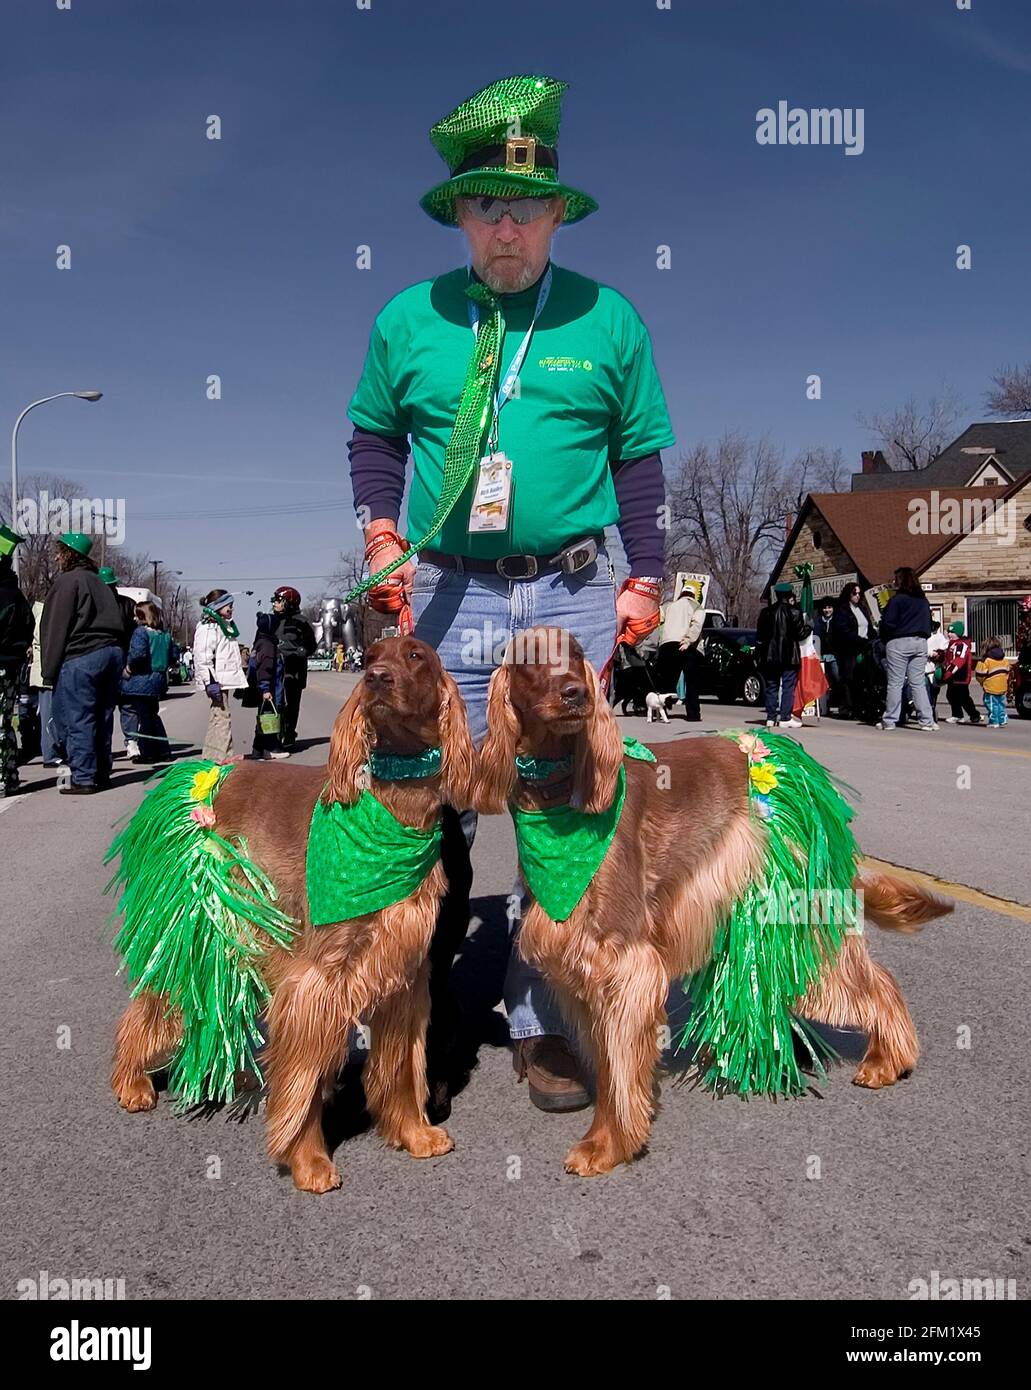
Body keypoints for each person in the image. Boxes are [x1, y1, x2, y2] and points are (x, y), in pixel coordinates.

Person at [347, 75, 674, 1111]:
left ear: (553, 214)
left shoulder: (606, 317)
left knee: (559, 814)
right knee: (417, 808)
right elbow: (373, 433)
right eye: (484, 206)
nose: (505, 227)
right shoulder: (410, 318)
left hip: (570, 596)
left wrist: (645, 573)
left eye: (524, 207)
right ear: (458, 214)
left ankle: (540, 1020)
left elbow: (638, 456)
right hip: (445, 594)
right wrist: (381, 532)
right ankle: (411, 1017)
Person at [40, 532, 126, 794]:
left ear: (67, 554)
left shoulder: (68, 582)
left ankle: (84, 778)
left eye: (58, 552)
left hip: (82, 655)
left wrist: (48, 671)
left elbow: (55, 627)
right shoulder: (100, 582)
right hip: (111, 653)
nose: (55, 557)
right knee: (103, 715)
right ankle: (102, 772)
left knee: (78, 718)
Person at [876, 567, 936, 732]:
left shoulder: (897, 600)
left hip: (899, 642)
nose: (893, 582)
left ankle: (890, 720)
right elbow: (928, 623)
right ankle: (927, 720)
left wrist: (883, 633)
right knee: (918, 683)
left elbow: (888, 623)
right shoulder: (923, 600)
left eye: (895, 579)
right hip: (920, 641)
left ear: (901, 581)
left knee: (895, 683)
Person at [0, 525, 35, 797]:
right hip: (10, 665)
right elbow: (28, 624)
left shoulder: (7, 594)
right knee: (4, 722)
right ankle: (8, 776)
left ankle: (5, 777)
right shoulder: (16, 592)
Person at [193, 591, 248, 763]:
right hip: (216, 680)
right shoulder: (208, 627)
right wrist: (210, 682)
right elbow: (202, 656)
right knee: (223, 718)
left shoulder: (222, 625)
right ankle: (225, 756)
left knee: (217, 717)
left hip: (222, 680)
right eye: (228, 605)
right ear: (217, 606)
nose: (231, 609)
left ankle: (211, 756)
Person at [120, 601, 175, 762]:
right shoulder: (164, 635)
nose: (135, 618)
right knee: (153, 716)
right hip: (158, 679)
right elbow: (173, 657)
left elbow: (138, 654)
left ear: (143, 616)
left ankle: (148, 752)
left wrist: (128, 668)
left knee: (143, 718)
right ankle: (163, 751)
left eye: (137, 615)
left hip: (141, 680)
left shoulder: (141, 633)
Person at [755, 581, 810, 728]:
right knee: (787, 687)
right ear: (790, 595)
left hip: (771, 655)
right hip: (789, 655)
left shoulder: (766, 612)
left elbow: (760, 634)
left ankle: (771, 717)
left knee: (771, 686)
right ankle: (785, 717)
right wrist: (809, 627)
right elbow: (800, 634)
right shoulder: (795, 612)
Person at [270, 586, 316, 750]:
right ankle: (274, 735)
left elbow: (311, 645)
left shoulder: (301, 622)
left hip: (294, 670)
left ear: (289, 602)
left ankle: (289, 734)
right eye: (274, 600)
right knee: (275, 703)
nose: (274, 603)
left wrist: (301, 652)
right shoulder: (270, 621)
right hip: (274, 670)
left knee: (291, 704)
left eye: (278, 600)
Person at [656, 585, 704, 720]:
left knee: (666, 680)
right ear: (693, 595)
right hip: (687, 646)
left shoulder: (669, 606)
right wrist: (688, 640)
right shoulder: (697, 607)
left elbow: (658, 620)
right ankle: (693, 714)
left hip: (667, 644)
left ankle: (662, 711)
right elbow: (696, 625)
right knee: (691, 682)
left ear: (681, 593)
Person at [247, 612, 290, 761]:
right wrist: (265, 689)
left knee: (263, 720)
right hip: (270, 690)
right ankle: (270, 749)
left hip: (265, 689)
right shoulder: (267, 646)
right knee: (270, 720)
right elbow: (264, 669)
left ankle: (257, 750)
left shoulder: (261, 642)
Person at [830, 581, 871, 718]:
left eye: (859, 593)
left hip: (864, 648)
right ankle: (846, 708)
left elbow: (868, 627)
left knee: (861, 679)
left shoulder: (862, 609)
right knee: (848, 679)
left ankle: (860, 708)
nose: (857, 596)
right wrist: (858, 639)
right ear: (848, 594)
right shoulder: (842, 610)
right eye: (854, 593)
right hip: (848, 649)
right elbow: (842, 630)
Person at [941, 622, 980, 724]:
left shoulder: (961, 645)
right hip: (953, 677)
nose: (949, 634)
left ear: (958, 633)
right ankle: (957, 715)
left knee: (963, 697)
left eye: (952, 632)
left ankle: (974, 715)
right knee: (951, 695)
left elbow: (958, 661)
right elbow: (948, 658)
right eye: (948, 631)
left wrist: (947, 673)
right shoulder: (952, 644)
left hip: (960, 677)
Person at [974, 636, 1010, 729]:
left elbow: (980, 674)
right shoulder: (1004, 660)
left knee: (991, 704)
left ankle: (994, 721)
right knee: (1000, 704)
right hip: (1002, 686)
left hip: (990, 687)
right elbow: (1007, 672)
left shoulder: (985, 660)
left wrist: (982, 682)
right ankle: (1002, 719)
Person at [814, 598, 839, 715]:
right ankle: (823, 706)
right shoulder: (818, 621)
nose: (827, 610)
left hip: (834, 656)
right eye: (825, 608)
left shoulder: (837, 620)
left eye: (829, 607)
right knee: (823, 681)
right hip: (821, 655)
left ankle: (838, 702)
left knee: (837, 678)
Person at [925, 620, 949, 723]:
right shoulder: (922, 636)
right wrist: (930, 653)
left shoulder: (939, 636)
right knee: (925, 688)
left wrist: (939, 654)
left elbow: (945, 647)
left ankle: (932, 707)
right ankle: (928, 708)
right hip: (924, 668)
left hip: (935, 669)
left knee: (934, 690)